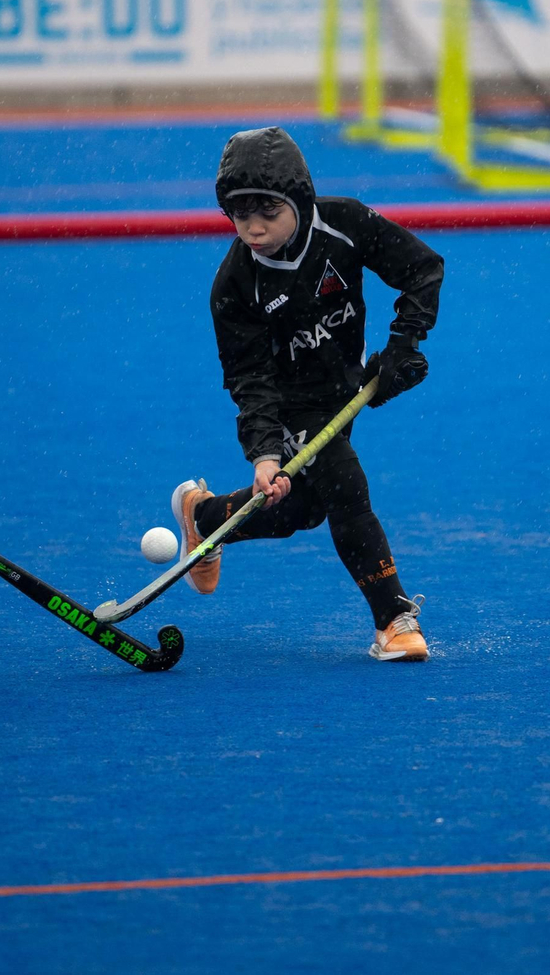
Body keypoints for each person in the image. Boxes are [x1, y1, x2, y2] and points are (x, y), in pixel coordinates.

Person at [172, 126, 443, 661]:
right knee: (346, 486)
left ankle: (203, 518)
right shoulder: (235, 286)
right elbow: (249, 379)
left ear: (299, 200)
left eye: (267, 213)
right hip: (288, 405)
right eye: (239, 214)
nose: (253, 228)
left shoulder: (345, 223)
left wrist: (403, 342)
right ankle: (393, 619)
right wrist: (266, 453)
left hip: (343, 392)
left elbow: (422, 268)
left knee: (303, 509)